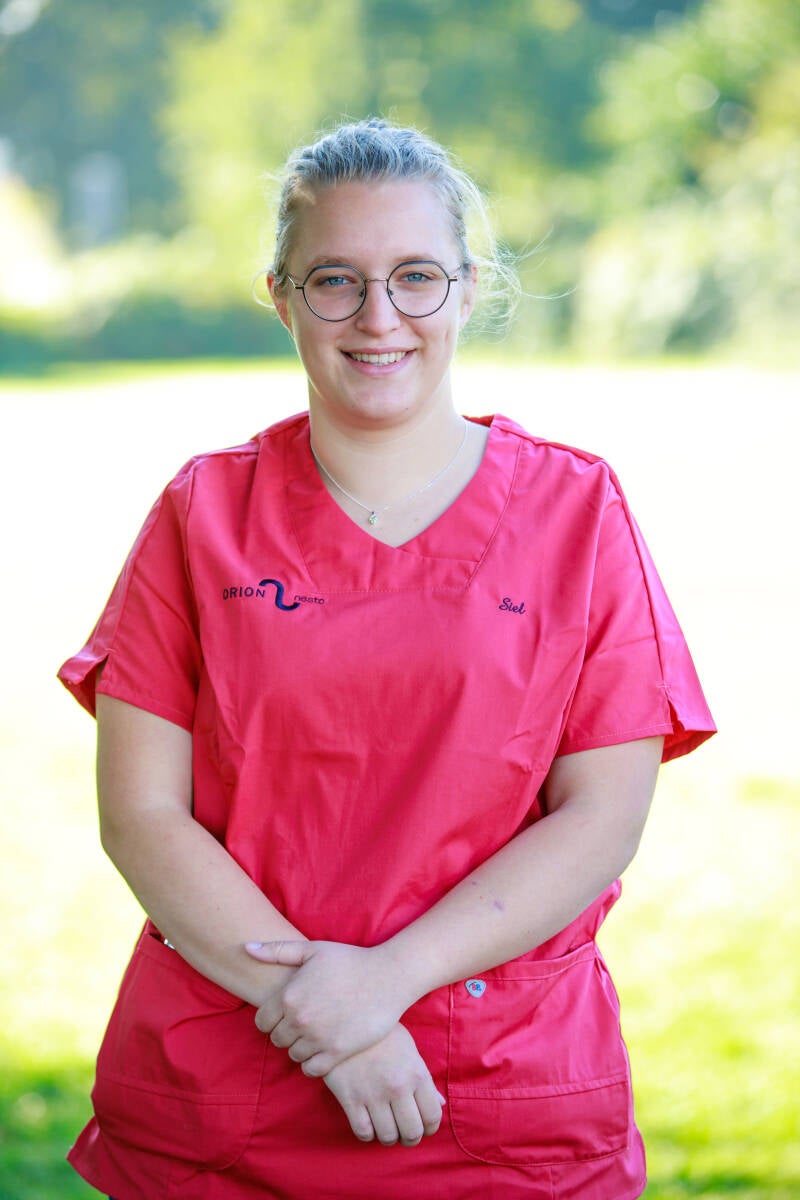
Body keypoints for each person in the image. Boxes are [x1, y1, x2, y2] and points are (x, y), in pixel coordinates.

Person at [58, 117, 715, 1200]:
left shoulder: (576, 511)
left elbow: (603, 816)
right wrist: (337, 1025)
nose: (378, 318)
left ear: (466, 290)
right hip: (227, 1089)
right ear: (280, 297)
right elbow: (140, 815)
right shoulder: (201, 512)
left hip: (498, 1084)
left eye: (415, 277)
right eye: (335, 281)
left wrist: (382, 986)